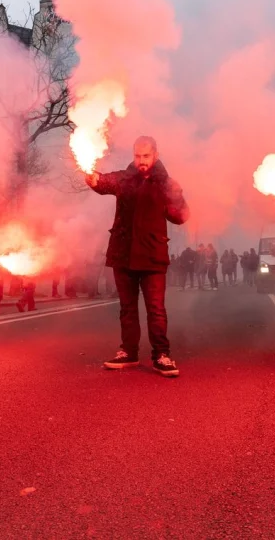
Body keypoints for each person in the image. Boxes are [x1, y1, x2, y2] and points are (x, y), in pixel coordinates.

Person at [85, 136, 189, 377]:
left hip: (152, 255)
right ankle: (129, 352)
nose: (141, 161)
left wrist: (175, 197)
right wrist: (92, 179)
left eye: (146, 156)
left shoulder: (166, 184)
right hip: (123, 254)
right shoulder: (123, 179)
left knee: (156, 309)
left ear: (155, 155)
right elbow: (103, 182)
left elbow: (181, 216)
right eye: (137, 156)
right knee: (127, 308)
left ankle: (161, 354)